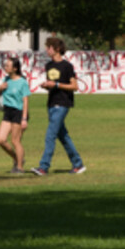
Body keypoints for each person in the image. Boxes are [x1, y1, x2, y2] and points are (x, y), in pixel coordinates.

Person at [34, 36, 86, 176]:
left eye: (49, 47)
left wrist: (56, 84)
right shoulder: (48, 65)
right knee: (63, 136)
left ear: (56, 49)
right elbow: (52, 85)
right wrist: (46, 86)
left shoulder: (67, 66)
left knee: (50, 135)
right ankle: (78, 164)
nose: (46, 50)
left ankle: (43, 167)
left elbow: (74, 86)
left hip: (63, 104)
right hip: (51, 103)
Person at [0, 57, 32, 175]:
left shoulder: (22, 82)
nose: (5, 67)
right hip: (7, 112)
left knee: (15, 141)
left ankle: (19, 167)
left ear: (15, 68)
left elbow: (25, 101)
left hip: (18, 113)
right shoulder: (6, 79)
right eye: (5, 65)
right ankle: (17, 158)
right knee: (0, 140)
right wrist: (0, 88)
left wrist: (24, 119)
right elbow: (0, 95)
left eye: (8, 65)